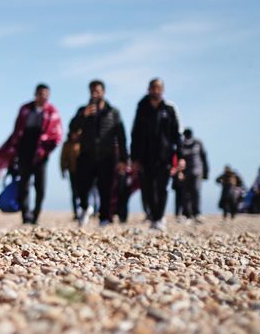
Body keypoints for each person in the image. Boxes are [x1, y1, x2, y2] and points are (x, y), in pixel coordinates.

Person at [0, 84, 63, 225]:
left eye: (46, 94)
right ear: (35, 95)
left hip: (42, 155)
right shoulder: (25, 109)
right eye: (40, 94)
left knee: (40, 186)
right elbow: (17, 132)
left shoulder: (52, 111)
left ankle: (36, 215)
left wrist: (44, 150)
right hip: (24, 152)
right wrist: (14, 152)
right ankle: (26, 216)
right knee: (24, 185)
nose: (43, 97)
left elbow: (56, 135)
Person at [69, 80, 128, 227]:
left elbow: (121, 136)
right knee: (82, 186)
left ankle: (104, 218)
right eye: (92, 91)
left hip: (107, 156)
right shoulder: (83, 110)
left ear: (103, 92)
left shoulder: (113, 112)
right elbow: (72, 127)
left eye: (98, 91)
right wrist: (83, 115)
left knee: (106, 188)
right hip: (86, 155)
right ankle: (84, 208)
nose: (95, 93)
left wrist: (123, 159)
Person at [130, 78, 183, 231]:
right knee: (147, 189)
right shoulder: (142, 109)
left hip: (164, 156)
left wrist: (180, 156)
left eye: (158, 88)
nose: (156, 90)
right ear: (149, 89)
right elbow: (135, 134)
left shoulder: (169, 109)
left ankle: (159, 217)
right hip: (145, 156)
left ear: (162, 90)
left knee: (162, 188)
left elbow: (176, 134)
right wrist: (134, 158)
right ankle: (153, 216)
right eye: (153, 88)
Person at [178, 128, 210, 222]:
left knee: (196, 192)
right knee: (185, 194)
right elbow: (178, 158)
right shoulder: (181, 144)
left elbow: (204, 158)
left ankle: (197, 213)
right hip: (185, 173)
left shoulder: (198, 143)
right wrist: (179, 172)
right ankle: (186, 214)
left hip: (197, 171)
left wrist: (206, 172)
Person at [60, 129, 81, 220]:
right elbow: (63, 158)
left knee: (84, 192)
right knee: (74, 192)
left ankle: (86, 210)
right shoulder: (67, 144)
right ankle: (76, 212)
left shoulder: (83, 143)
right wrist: (63, 169)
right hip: (72, 170)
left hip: (83, 171)